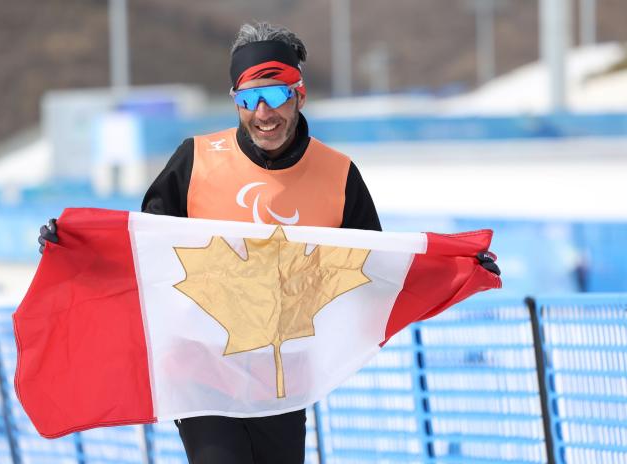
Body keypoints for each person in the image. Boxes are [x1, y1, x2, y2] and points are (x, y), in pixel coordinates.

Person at [39, 21, 500, 464]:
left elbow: (378, 272)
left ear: (299, 94)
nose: (264, 114)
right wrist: (76, 250)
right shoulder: (194, 161)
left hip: (283, 380)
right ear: (235, 101)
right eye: (250, 98)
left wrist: (455, 269)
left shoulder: (338, 175)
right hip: (202, 374)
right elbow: (141, 252)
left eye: (276, 94)